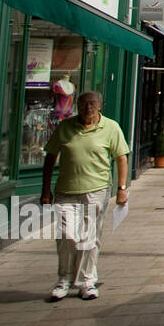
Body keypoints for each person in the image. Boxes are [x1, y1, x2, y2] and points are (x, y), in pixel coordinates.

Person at [39, 91, 130, 301]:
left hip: (96, 190)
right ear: (77, 106)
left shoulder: (110, 127)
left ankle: (87, 280)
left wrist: (122, 188)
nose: (88, 107)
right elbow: (50, 158)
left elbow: (121, 158)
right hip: (66, 190)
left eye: (92, 103)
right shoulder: (65, 127)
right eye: (84, 104)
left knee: (88, 238)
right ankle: (64, 279)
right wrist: (45, 190)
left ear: (100, 106)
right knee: (67, 235)